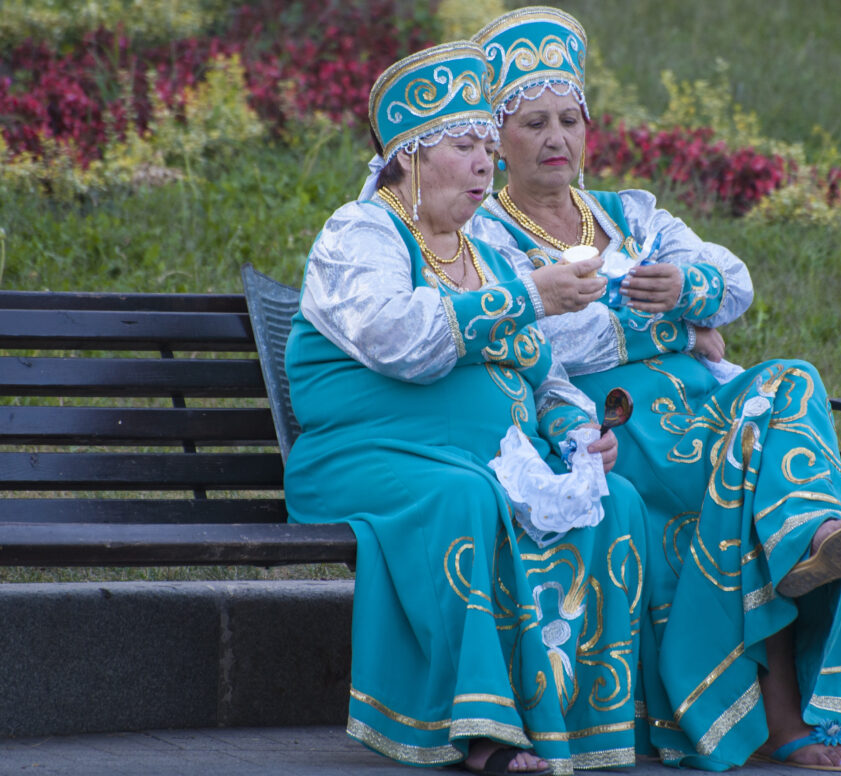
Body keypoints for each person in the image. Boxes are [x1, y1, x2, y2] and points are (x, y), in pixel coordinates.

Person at [467, 7, 841, 772]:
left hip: (704, 407)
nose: (555, 138)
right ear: (496, 138)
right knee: (751, 480)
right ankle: (785, 712)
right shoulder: (489, 238)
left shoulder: (632, 213)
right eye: (531, 124)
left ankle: (814, 538)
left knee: (795, 379)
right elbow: (543, 337)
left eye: (568, 119)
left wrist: (689, 285)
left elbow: (735, 284)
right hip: (620, 426)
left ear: (588, 129)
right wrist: (685, 331)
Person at [284, 40, 650, 776]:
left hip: (481, 455)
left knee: (618, 499)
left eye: (488, 145)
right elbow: (400, 340)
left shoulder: (485, 251)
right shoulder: (360, 234)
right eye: (464, 145)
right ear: (409, 159)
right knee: (466, 495)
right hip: (368, 460)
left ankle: (577, 728)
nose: (487, 163)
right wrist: (528, 298)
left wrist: (576, 429)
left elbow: (543, 373)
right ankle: (478, 725)